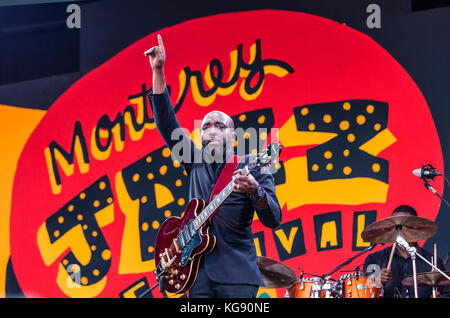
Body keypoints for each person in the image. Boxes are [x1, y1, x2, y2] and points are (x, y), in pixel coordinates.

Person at [144, 35, 282, 298]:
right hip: (196, 274)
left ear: (233, 136)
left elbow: (273, 218)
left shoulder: (252, 166)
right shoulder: (194, 159)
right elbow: (166, 122)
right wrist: (158, 71)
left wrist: (255, 192)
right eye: (206, 126)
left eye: (220, 126)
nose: (212, 130)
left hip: (238, 274)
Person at [363, 205, 450, 298]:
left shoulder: (432, 261)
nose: (399, 230)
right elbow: (363, 290)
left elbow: (446, 293)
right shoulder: (375, 259)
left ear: (415, 227)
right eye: (395, 226)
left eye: (402, 226)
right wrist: (377, 280)